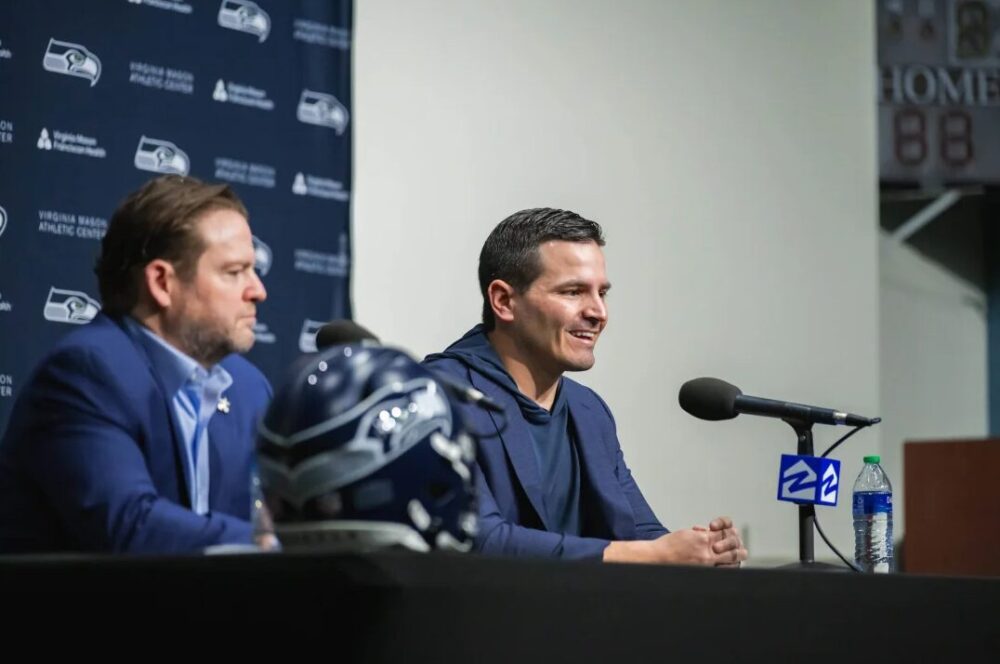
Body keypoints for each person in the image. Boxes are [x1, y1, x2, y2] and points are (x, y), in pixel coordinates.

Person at [425, 208, 748, 565]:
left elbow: (639, 532)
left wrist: (701, 551)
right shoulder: (439, 396)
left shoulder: (588, 410)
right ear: (504, 301)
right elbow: (477, 539)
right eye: (574, 291)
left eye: (602, 293)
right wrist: (654, 554)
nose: (598, 312)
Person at [0, 175, 272, 553]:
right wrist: (272, 545)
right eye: (234, 272)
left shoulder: (248, 389)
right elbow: (130, 524)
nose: (258, 290)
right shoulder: (87, 374)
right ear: (162, 282)